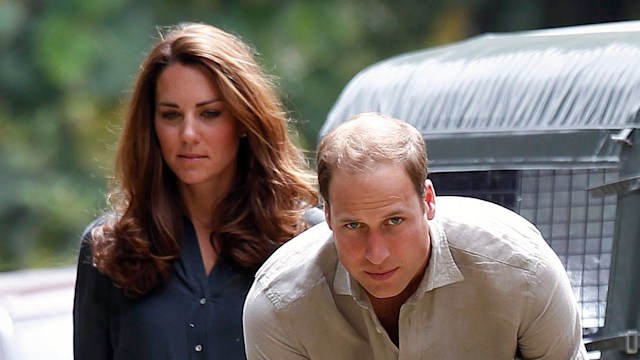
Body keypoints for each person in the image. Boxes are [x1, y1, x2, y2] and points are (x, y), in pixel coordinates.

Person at [243, 112, 589, 359]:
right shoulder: (279, 306)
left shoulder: (523, 271)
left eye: (394, 221)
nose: (376, 253)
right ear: (328, 216)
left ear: (428, 201)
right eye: (354, 226)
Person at [73, 22, 319, 360]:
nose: (188, 133)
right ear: (151, 124)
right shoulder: (109, 250)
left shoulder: (305, 244)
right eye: (171, 115)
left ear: (244, 120)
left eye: (209, 113)